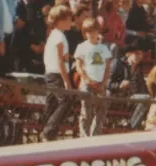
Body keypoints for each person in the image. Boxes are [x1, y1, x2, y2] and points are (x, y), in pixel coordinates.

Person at [74, 17, 112, 137]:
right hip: (87, 83)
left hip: (100, 83)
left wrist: (103, 83)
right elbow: (78, 66)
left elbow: (107, 68)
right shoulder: (82, 47)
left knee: (101, 111)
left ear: (98, 31)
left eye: (93, 31)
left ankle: (95, 135)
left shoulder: (103, 48)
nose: (91, 34)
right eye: (88, 31)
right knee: (86, 112)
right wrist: (86, 79)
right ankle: (84, 136)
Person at [40, 5, 72, 142]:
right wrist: (66, 81)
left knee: (51, 103)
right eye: (68, 19)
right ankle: (48, 131)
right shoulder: (59, 37)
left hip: (50, 74)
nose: (71, 21)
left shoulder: (54, 35)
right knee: (66, 100)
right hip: (57, 75)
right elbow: (60, 61)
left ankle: (47, 131)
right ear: (60, 20)